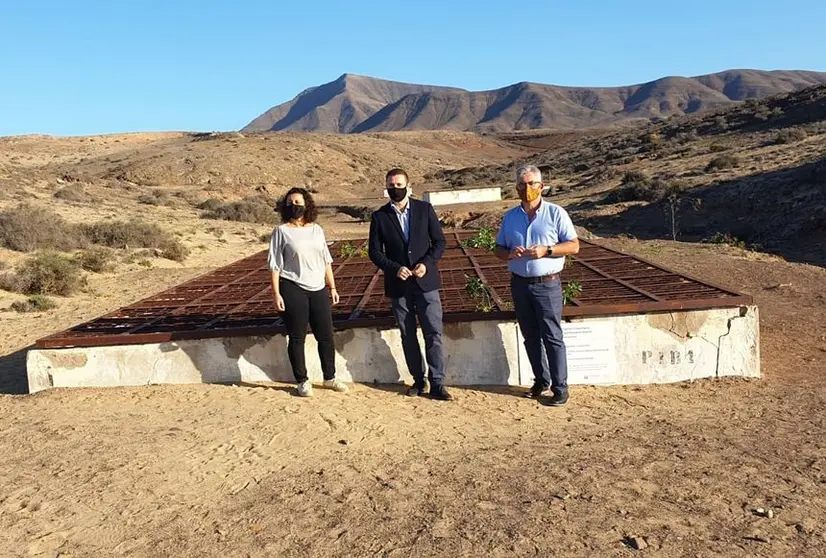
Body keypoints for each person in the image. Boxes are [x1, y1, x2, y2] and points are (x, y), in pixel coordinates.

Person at [494, 165, 579, 406]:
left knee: (552, 336)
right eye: (522, 184)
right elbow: (497, 249)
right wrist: (509, 253)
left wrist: (547, 250)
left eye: (532, 184)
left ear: (541, 186)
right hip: (520, 285)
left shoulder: (556, 213)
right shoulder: (510, 217)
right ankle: (541, 380)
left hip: (547, 285)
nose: (527, 188)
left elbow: (573, 245)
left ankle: (560, 387)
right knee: (530, 336)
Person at [368, 169, 452, 401]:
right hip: (399, 285)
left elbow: (439, 242)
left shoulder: (424, 210)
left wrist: (427, 263)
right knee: (408, 335)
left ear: (408, 185)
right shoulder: (379, 217)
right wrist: (394, 268)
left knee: (433, 333)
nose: (395, 188)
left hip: (426, 283)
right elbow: (374, 252)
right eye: (391, 185)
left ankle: (437, 383)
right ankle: (418, 380)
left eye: (399, 184)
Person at [268, 187, 348, 397]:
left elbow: (326, 260)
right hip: (292, 287)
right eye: (290, 203)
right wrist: (276, 294)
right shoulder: (281, 231)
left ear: (307, 204)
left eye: (298, 202)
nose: (294, 206)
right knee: (297, 337)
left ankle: (329, 377)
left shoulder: (316, 230)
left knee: (326, 335)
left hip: (318, 287)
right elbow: (275, 265)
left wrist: (332, 286)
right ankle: (302, 380)